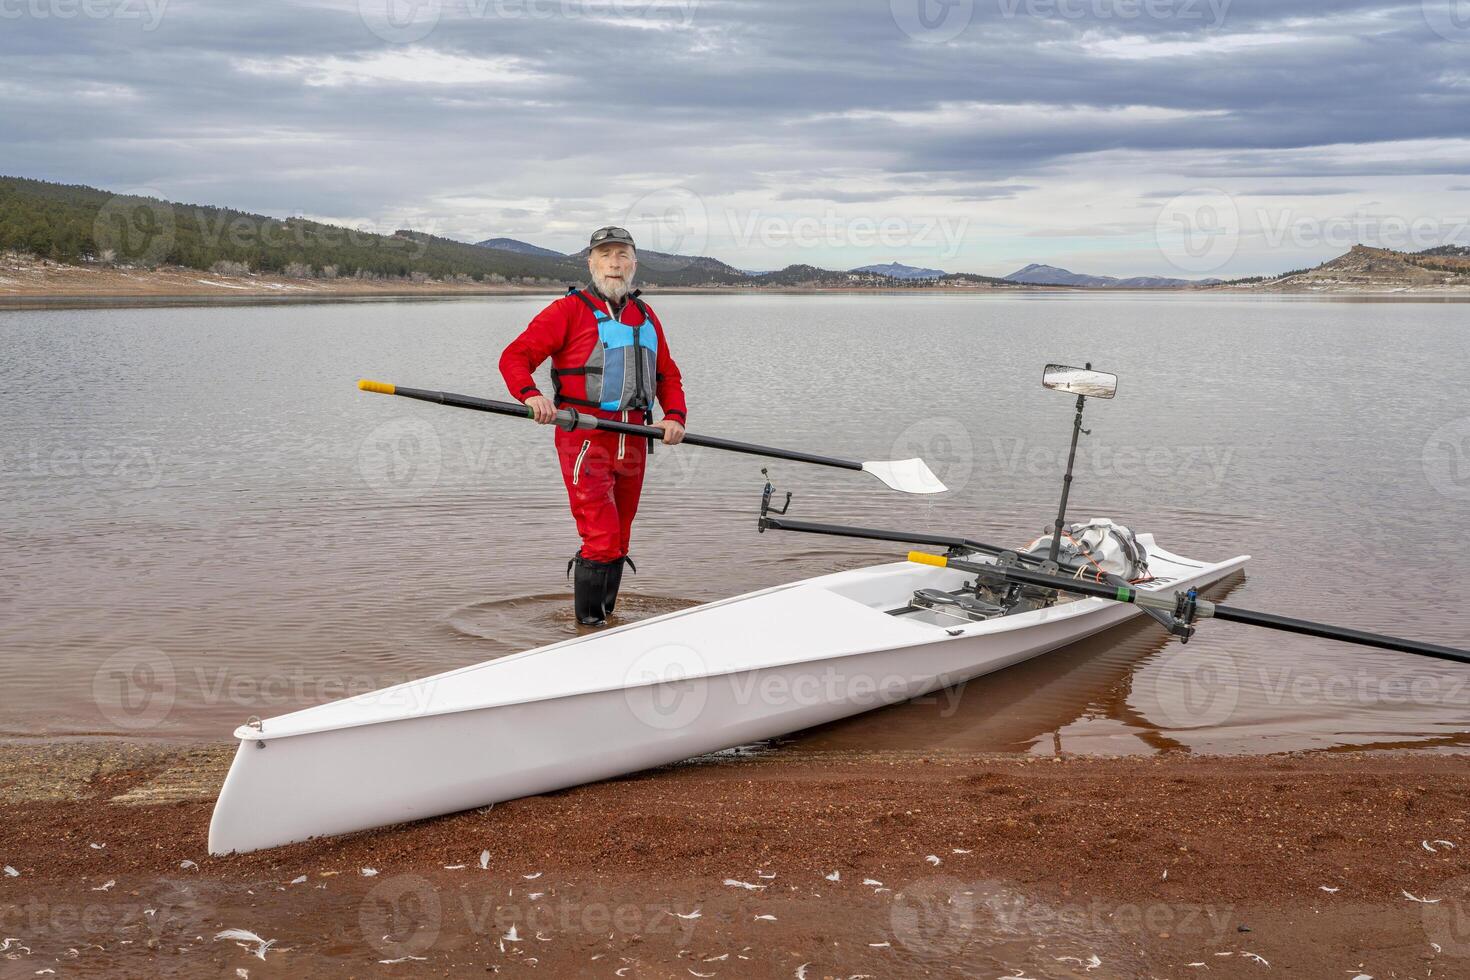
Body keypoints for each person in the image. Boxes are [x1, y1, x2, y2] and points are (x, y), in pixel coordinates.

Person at [498, 226, 687, 626]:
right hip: (586, 438)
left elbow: (667, 376)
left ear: (634, 263)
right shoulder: (568, 311)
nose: (614, 264)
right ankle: (587, 628)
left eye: (622, 255)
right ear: (590, 262)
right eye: (605, 256)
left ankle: (607, 625)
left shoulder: (646, 315)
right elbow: (514, 357)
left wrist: (674, 416)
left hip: (635, 440)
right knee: (600, 538)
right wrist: (531, 395)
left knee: (619, 538)